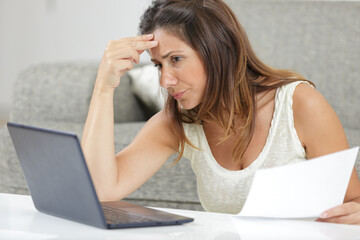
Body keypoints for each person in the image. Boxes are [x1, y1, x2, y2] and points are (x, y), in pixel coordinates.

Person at [81, 0, 360, 225]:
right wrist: (103, 87)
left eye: (175, 59)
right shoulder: (177, 121)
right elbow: (101, 191)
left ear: (218, 50)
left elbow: (354, 203)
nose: (165, 81)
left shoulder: (300, 105)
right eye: (158, 65)